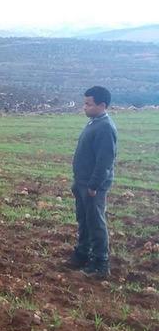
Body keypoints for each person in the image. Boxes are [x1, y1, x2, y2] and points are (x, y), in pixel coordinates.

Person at [67, 86, 117, 279]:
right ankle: (82, 255)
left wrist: (94, 186)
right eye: (84, 103)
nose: (84, 107)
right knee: (84, 219)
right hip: (82, 182)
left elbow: (105, 161)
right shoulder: (93, 122)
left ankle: (100, 263)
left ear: (102, 105)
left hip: (92, 186)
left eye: (88, 104)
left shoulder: (105, 127)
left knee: (95, 222)